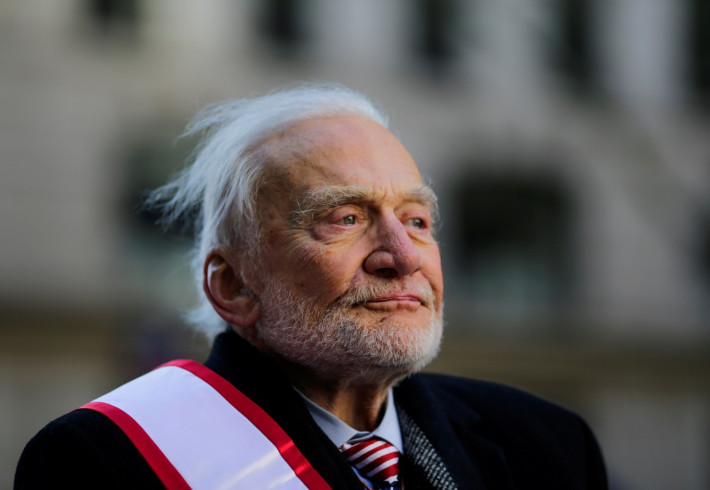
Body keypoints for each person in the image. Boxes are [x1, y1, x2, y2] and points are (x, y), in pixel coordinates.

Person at [15, 84, 607, 489]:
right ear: (234, 286)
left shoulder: (548, 445)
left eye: (417, 221)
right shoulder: (102, 460)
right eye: (345, 220)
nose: (402, 257)